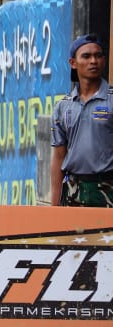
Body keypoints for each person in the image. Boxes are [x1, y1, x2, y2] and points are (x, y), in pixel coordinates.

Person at [51, 34, 113, 206]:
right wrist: (54, 207)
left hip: (108, 189)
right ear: (73, 63)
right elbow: (58, 156)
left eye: (98, 56)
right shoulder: (63, 107)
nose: (93, 61)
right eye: (86, 56)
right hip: (74, 191)